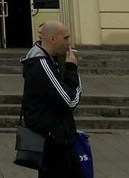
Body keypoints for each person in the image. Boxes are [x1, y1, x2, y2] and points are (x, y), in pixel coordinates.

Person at [21, 20, 84, 178]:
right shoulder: (41, 64)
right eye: (66, 38)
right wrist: (72, 69)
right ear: (53, 39)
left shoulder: (52, 60)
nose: (69, 42)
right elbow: (69, 101)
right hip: (54, 143)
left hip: (61, 140)